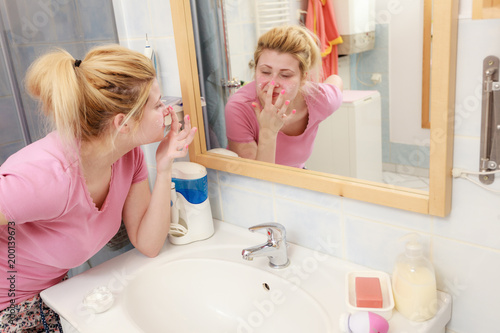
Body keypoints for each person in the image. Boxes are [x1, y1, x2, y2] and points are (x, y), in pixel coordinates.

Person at [0, 44, 197, 331]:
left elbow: (149, 243)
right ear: (123, 123)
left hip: (53, 294)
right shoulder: (48, 176)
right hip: (10, 305)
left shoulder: (129, 156)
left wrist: (165, 166)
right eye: (157, 104)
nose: (167, 109)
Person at [225, 25, 343, 168]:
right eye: (265, 72)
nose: (272, 83)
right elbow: (257, 180)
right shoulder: (239, 108)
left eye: (285, 75)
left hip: (295, 177)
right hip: (256, 184)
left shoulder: (318, 100)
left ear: (303, 78)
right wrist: (268, 132)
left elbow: (336, 81)